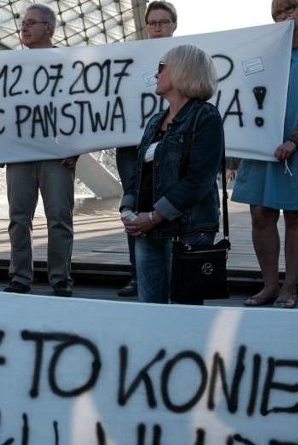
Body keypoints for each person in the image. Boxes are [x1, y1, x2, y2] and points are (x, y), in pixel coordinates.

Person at [231, 0, 298, 308]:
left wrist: (295, 140)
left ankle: (290, 287)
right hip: (261, 144)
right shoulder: (264, 49)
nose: (285, 15)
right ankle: (269, 285)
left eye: (291, 7)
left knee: (296, 214)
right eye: (279, 11)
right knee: (260, 214)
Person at [120, 45, 224, 304]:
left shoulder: (206, 116)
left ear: (181, 70)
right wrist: (128, 208)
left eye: (161, 68)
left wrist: (154, 216)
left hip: (186, 230)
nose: (156, 75)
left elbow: (199, 180)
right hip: (147, 230)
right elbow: (139, 171)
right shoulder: (156, 120)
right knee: (150, 310)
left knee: (184, 312)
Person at [3, 4, 77, 297]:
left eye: (31, 23)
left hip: (57, 155)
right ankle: (20, 276)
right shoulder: (9, 67)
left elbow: (80, 109)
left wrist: (78, 148)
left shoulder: (68, 64)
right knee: (18, 218)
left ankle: (60, 279)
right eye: (23, 23)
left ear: (49, 28)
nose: (24, 27)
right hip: (19, 155)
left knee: (59, 217)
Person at [115, 0, 178, 298]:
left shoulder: (184, 58)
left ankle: (172, 272)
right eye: (152, 23)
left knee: (169, 204)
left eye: (162, 22)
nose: (156, 27)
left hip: (171, 141)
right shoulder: (128, 57)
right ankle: (138, 275)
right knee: (135, 204)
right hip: (131, 146)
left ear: (174, 25)